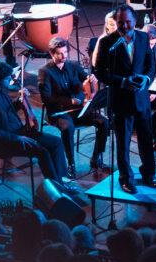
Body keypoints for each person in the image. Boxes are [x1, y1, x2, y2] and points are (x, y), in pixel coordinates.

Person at [94, 4, 156, 194]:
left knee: (146, 139)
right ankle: (126, 179)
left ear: (135, 21)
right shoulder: (108, 43)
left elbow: (150, 65)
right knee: (123, 143)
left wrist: (146, 79)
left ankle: (149, 175)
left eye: (128, 22)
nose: (124, 26)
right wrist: (122, 82)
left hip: (141, 98)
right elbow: (99, 72)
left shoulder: (142, 37)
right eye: (120, 23)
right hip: (121, 101)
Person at [0, 61, 68, 185]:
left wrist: (19, 102)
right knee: (42, 151)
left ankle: (63, 181)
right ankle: (56, 186)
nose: (10, 80)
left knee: (56, 142)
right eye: (6, 79)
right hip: (8, 142)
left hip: (21, 132)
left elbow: (8, 112)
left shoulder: (2, 90)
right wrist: (17, 137)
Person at [38, 37, 110, 176]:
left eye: (65, 52)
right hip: (59, 112)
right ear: (52, 54)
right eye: (59, 53)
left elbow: (86, 80)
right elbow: (47, 98)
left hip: (78, 110)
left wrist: (91, 79)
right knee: (68, 127)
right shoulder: (45, 72)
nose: (63, 56)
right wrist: (71, 101)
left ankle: (96, 157)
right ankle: (71, 164)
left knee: (104, 122)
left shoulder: (73, 65)